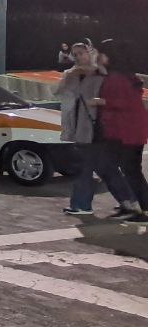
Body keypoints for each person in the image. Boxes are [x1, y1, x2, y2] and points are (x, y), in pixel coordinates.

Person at [57, 42, 135, 216]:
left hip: (97, 128)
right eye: (75, 54)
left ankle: (81, 205)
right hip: (81, 128)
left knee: (85, 167)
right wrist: (68, 76)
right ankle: (130, 201)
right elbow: (58, 92)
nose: (78, 57)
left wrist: (99, 100)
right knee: (106, 168)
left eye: (81, 53)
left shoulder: (101, 73)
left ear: (90, 52)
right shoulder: (72, 74)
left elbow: (115, 98)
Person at [93, 42, 147, 221]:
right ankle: (134, 206)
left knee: (117, 167)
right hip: (130, 131)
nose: (98, 57)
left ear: (109, 56)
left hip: (125, 131)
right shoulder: (125, 75)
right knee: (130, 170)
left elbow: (125, 102)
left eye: (100, 54)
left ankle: (137, 207)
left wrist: (101, 102)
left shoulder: (116, 78)